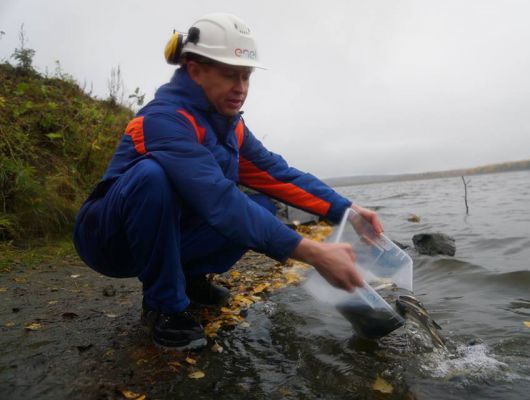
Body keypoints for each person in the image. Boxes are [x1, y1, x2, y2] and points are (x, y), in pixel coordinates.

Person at [73, 13, 383, 350]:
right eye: (229, 75)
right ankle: (163, 306)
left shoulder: (229, 125)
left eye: (246, 77)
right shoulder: (162, 119)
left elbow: (277, 173)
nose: (241, 89)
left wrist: (347, 210)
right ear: (195, 70)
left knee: (263, 205)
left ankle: (190, 281)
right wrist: (316, 254)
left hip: (169, 233)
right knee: (154, 178)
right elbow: (218, 200)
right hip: (108, 240)